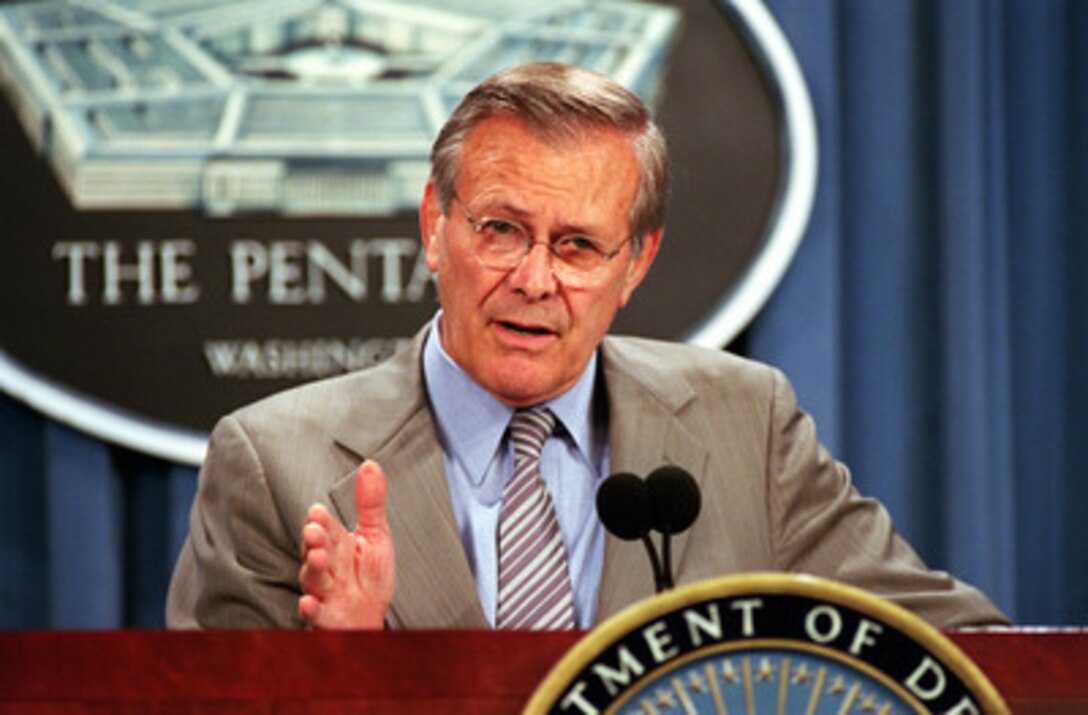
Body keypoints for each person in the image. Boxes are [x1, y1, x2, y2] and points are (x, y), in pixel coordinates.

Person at [166, 61, 1007, 630]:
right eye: (500, 230)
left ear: (635, 261)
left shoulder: (746, 426)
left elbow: (960, 654)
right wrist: (342, 680)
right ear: (434, 225)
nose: (534, 279)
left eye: (576, 246)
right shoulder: (276, 464)